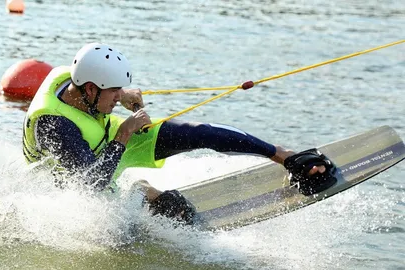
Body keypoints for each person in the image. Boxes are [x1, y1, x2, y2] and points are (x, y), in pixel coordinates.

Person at [22, 43, 336, 225]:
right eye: (114, 93)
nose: (119, 98)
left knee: (199, 133)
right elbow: (90, 184)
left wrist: (122, 95)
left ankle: (283, 154)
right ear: (90, 89)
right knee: (153, 221)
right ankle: (143, 193)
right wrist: (124, 133)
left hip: (110, 143)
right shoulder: (54, 125)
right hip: (74, 179)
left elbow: (103, 88)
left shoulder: (76, 78)